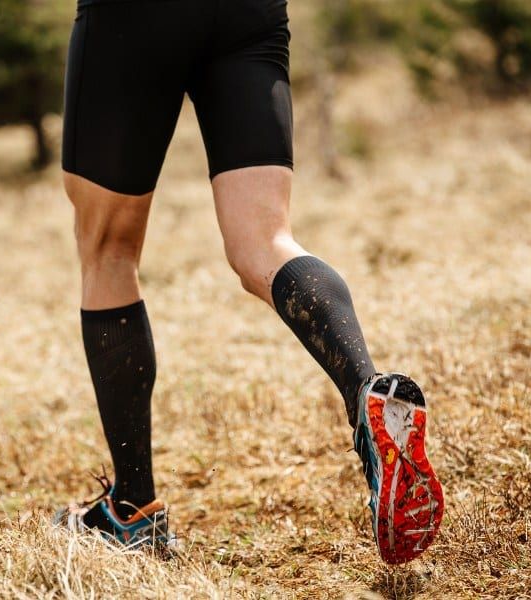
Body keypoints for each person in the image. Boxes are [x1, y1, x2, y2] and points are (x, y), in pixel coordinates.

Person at [53, 0, 443, 565]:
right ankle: (367, 393)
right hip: (247, 13)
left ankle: (132, 511)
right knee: (266, 243)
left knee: (108, 251)